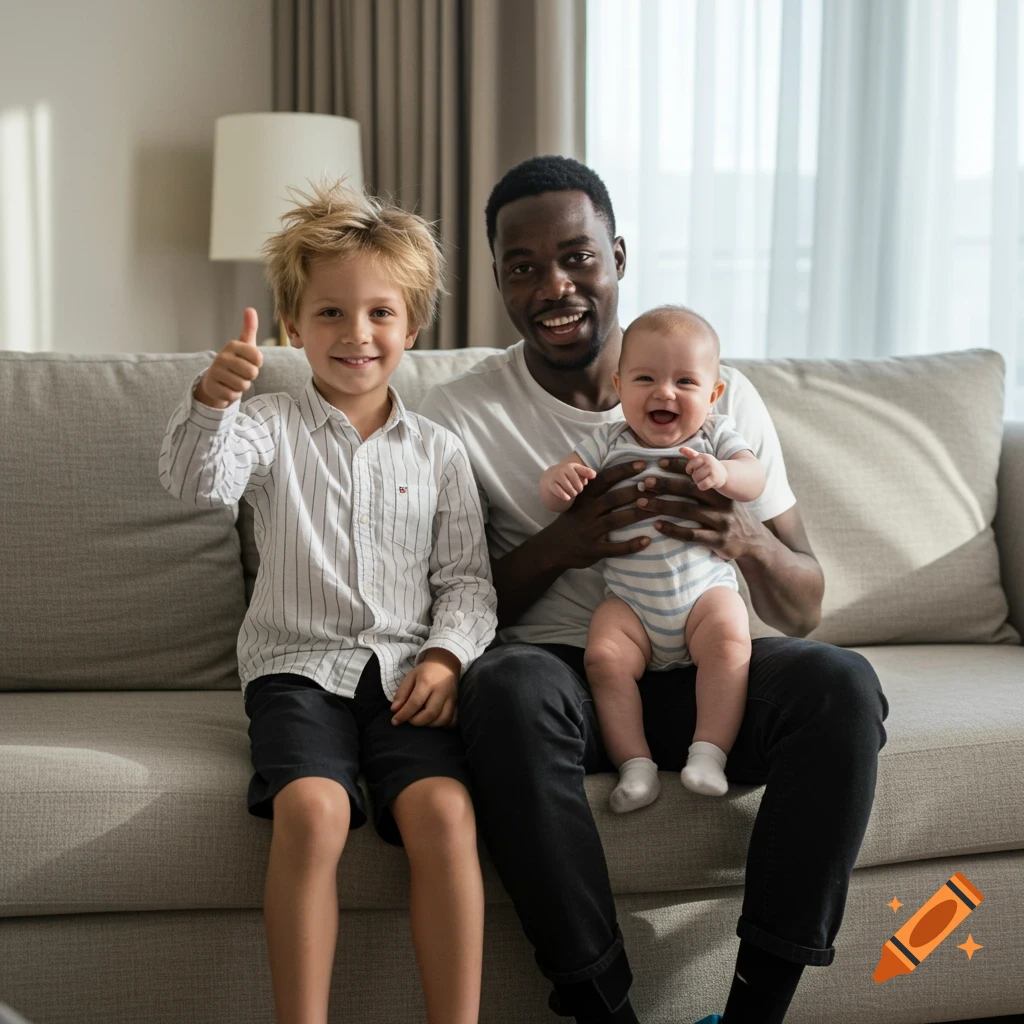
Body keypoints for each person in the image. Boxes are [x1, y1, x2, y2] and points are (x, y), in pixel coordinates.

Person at [419, 156, 888, 1024]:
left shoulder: (720, 394)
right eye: (522, 266)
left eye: (576, 256)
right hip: (578, 682)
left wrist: (738, 536)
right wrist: (568, 543)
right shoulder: (460, 414)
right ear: (497, 281)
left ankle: (755, 1012)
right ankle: (606, 1013)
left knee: (842, 683)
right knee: (505, 688)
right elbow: (449, 602)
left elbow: (805, 601)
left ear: (617, 256)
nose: (554, 285)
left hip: (718, 670)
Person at [159, 181, 496, 1024]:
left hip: (408, 678)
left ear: (411, 330)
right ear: (293, 327)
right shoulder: (266, 425)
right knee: (313, 811)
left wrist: (449, 657)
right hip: (296, 671)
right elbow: (198, 481)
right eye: (331, 314)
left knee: (448, 816)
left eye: (381, 314)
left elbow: (467, 583)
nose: (357, 335)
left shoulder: (441, 451)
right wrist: (213, 400)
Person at [540, 306, 766, 811]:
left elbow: (755, 477)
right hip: (631, 604)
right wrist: (557, 482)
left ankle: (708, 753)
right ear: (619, 387)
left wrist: (725, 476)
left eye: (685, 382)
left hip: (703, 596)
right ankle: (635, 766)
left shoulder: (715, 438)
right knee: (603, 657)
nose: (665, 392)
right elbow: (559, 486)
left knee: (732, 638)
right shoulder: (607, 440)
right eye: (646, 378)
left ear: (713, 395)